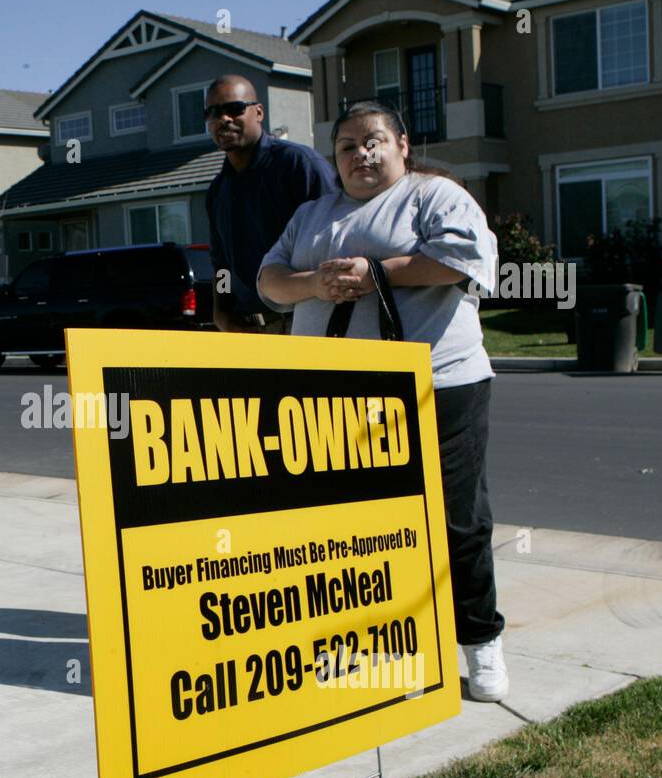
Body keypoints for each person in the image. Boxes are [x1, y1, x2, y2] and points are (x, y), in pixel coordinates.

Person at [255, 100, 509, 702]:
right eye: (347, 146)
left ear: (402, 145)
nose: (360, 154)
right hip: (337, 400)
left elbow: (460, 260)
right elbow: (268, 281)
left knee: (455, 519)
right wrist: (314, 283)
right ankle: (372, 644)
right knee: (355, 529)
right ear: (333, 159)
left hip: (439, 386)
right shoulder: (311, 215)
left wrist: (377, 273)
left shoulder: (435, 196)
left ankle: (480, 642)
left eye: (373, 141)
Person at [204, 74, 336, 334]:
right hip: (250, 332)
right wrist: (221, 313)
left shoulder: (299, 165)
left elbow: (339, 237)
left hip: (306, 322)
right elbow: (222, 268)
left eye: (235, 108)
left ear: (259, 112)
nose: (224, 119)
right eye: (213, 113)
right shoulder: (218, 190)